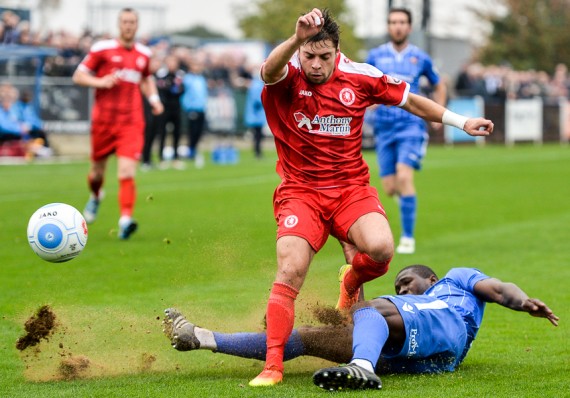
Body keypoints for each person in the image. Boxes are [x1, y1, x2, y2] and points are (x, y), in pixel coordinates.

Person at [204, 8, 492, 387]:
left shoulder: (360, 75)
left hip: (349, 191)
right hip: (300, 193)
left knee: (381, 249)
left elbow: (411, 100)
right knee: (290, 269)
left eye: (325, 57)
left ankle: (350, 280)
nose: (317, 65)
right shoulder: (288, 76)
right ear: (300, 53)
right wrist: (294, 39)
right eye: (310, 56)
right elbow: (269, 71)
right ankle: (273, 366)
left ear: (337, 51)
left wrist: (460, 122)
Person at [163, 264, 558, 391]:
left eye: (408, 283)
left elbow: (499, 289)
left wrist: (523, 303)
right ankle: (200, 337)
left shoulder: (452, 283)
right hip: (414, 355)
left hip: (445, 327)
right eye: (400, 285)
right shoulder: (407, 305)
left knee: (370, 308)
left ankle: (362, 368)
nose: (403, 288)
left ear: (431, 278)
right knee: (304, 338)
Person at [72, 8, 163, 240]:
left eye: (132, 22)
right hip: (103, 121)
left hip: (131, 121)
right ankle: (96, 196)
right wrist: (100, 82)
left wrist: (153, 99)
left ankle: (125, 220)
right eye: (125, 22)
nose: (128, 26)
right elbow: (79, 75)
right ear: (119, 24)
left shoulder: (143, 53)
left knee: (126, 171)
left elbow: (145, 79)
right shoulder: (101, 49)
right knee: (96, 173)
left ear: (137, 25)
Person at [366, 8, 448, 254]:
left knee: (404, 177)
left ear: (409, 27)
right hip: (383, 126)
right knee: (390, 187)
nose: (398, 26)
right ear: (388, 26)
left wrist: (438, 113)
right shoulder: (375, 55)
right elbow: (362, 84)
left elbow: (438, 84)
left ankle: (408, 237)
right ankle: (406, 204)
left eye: (402, 22)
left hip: (411, 125)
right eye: (393, 22)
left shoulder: (420, 57)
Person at [142, 54, 185, 170]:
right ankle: (156, 158)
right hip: (162, 108)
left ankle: (176, 158)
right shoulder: (160, 75)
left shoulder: (179, 75)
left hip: (175, 107)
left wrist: (171, 88)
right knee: (160, 133)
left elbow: (180, 90)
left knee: (176, 133)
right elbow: (163, 89)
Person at [180, 53, 208, 165]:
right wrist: (188, 107)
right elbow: (184, 94)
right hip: (192, 109)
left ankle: (194, 150)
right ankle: (191, 151)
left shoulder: (201, 78)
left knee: (199, 132)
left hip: (201, 108)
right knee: (192, 131)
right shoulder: (187, 79)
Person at [243, 67, 266, 158]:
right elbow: (258, 100)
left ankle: (257, 151)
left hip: (255, 115)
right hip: (257, 115)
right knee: (258, 134)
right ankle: (257, 152)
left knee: (257, 134)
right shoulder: (257, 85)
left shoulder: (255, 84)